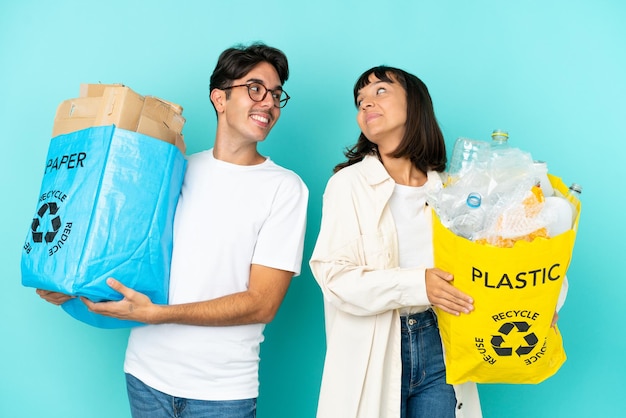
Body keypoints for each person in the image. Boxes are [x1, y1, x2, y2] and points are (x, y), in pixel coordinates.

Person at [37, 42, 309, 418]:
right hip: (146, 376)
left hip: (221, 392)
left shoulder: (285, 188)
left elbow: (263, 302)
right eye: (255, 88)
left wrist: (157, 314)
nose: (269, 102)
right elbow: (122, 248)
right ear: (220, 98)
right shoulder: (175, 168)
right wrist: (66, 283)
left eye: (277, 94)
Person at [309, 66, 482, 418]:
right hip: (375, 345)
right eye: (360, 100)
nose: (366, 104)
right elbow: (334, 279)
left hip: (440, 345)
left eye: (380, 91)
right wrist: (419, 284)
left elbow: (491, 258)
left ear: (415, 104)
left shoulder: (449, 191)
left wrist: (544, 301)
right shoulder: (349, 185)